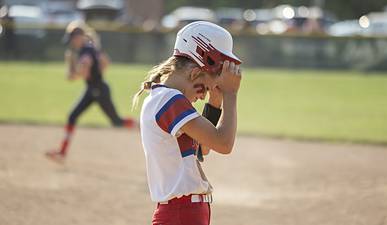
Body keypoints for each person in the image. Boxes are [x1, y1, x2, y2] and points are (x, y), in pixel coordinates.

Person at [133, 21, 242, 225]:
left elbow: (202, 150)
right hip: (181, 214)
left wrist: (215, 104)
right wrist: (231, 95)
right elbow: (224, 144)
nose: (202, 97)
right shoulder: (170, 100)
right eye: (204, 89)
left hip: (183, 213)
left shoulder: (163, 98)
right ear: (194, 73)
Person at [46, 26, 136, 163]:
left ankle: (140, 125)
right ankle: (62, 152)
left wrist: (72, 68)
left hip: (99, 91)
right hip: (93, 89)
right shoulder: (91, 47)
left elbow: (83, 71)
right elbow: (106, 62)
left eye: (72, 39)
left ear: (78, 38)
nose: (71, 43)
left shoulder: (85, 51)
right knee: (72, 116)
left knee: (117, 121)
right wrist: (97, 72)